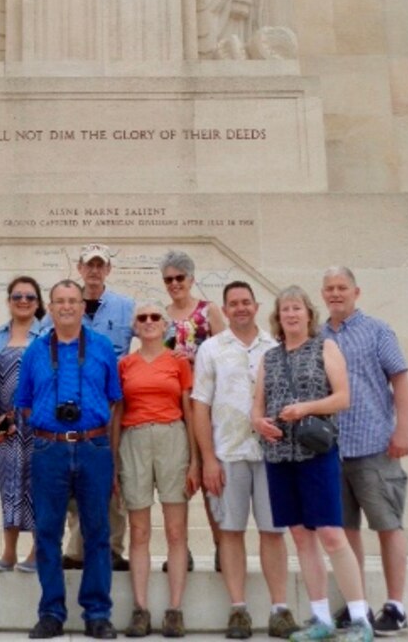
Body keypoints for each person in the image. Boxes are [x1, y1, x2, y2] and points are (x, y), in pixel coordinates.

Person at [252, 286, 373, 642]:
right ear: (278, 317)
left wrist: (304, 408)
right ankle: (320, 618)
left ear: (308, 314)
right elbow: (257, 405)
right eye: (285, 309)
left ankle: (360, 618)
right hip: (278, 456)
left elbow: (343, 397)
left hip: (316, 454)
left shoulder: (325, 347)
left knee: (332, 535)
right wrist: (259, 422)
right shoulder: (269, 358)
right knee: (301, 538)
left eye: (297, 308)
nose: (291, 314)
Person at [16, 279, 122, 640]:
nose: (66, 307)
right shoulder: (34, 350)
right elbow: (25, 402)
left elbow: (113, 399)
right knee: (47, 532)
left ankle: (97, 613)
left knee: (97, 531)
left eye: (73, 301)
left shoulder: (103, 347)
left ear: (82, 306)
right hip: (49, 448)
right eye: (59, 301)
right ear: (51, 305)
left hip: (93, 447)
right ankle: (51, 613)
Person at [192, 281, 297, 641]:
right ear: (224, 308)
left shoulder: (276, 347)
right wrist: (208, 459)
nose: (240, 308)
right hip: (228, 454)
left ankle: (280, 609)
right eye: (233, 303)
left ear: (256, 305)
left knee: (272, 532)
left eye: (245, 302)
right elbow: (200, 406)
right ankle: (238, 609)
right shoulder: (210, 349)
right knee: (231, 533)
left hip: (271, 456)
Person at [320, 267, 408, 636]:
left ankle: (396, 605)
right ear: (323, 294)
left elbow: (401, 380)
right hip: (332, 448)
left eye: (342, 287)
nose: (336, 293)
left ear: (356, 291)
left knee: (388, 525)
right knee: (346, 531)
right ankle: (359, 607)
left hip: (375, 444)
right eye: (330, 288)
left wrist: (402, 430)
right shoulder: (317, 335)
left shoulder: (377, 331)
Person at [113, 301, 199, 639]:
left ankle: (175, 609)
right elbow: (118, 412)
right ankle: (140, 608)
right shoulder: (125, 364)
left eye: (155, 317)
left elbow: (189, 410)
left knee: (176, 531)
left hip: (172, 438)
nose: (148, 322)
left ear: (165, 325)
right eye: (142, 318)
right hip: (133, 440)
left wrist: (195, 459)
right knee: (139, 530)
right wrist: (114, 460)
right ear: (134, 326)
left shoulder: (178, 363)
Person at [57, 244, 133, 571]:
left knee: (113, 474)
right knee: (76, 477)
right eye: (90, 265)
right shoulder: (65, 307)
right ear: (79, 268)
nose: (94, 271)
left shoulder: (126, 308)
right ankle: (76, 549)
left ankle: (113, 548)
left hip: (114, 405)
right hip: (74, 405)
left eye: (100, 265)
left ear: (108, 270)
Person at [160, 250, 224, 571]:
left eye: (179, 278)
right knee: (176, 479)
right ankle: (179, 550)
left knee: (212, 480)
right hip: (172, 407)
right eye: (169, 279)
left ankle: (221, 546)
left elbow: (226, 354)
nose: (174, 284)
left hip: (206, 404)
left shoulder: (208, 311)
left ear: (191, 279)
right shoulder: (160, 316)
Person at [0, 275, 44, 573]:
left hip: (38, 424)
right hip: (3, 422)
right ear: (9, 301)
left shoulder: (47, 335)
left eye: (30, 297)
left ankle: (38, 551)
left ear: (38, 303)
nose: (23, 302)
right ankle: (8, 552)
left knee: (37, 486)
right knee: (9, 486)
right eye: (17, 296)